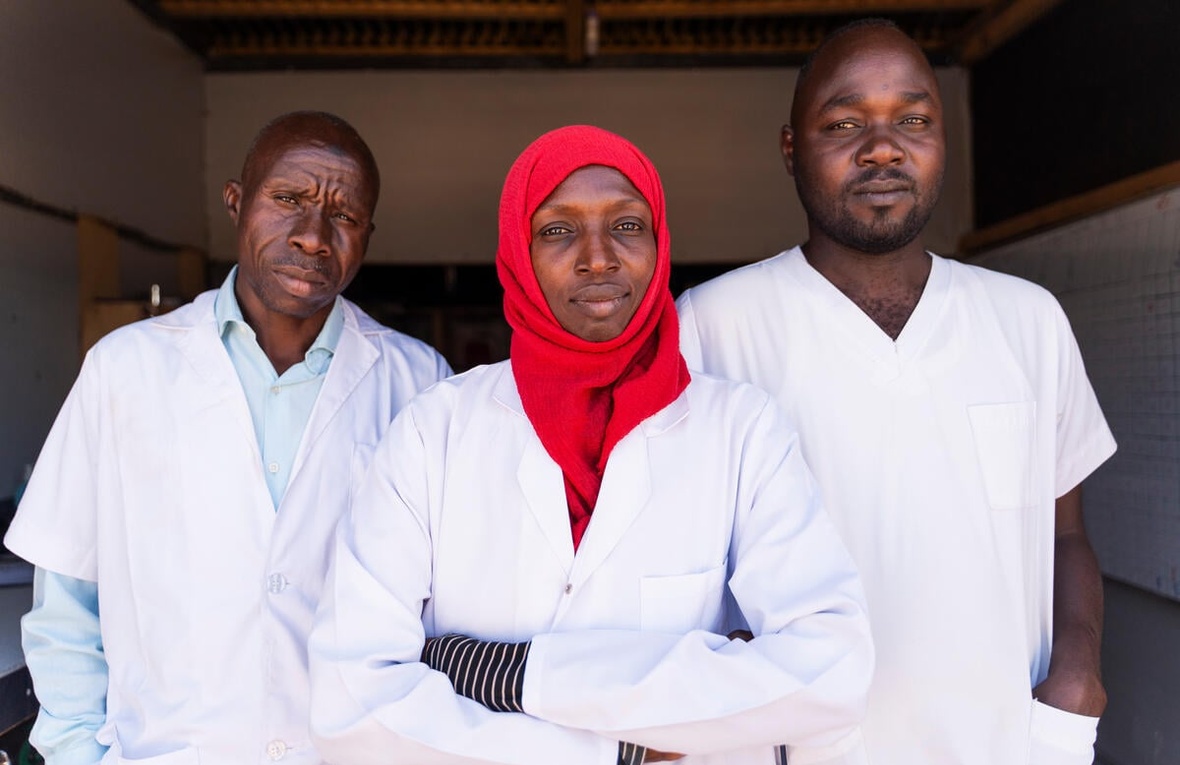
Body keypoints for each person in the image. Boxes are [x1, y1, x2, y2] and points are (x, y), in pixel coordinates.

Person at [308, 125, 874, 765]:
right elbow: (352, 698)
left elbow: (831, 672)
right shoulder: (432, 432)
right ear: (517, 255)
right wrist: (615, 751)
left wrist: (514, 676)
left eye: (627, 226)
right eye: (557, 230)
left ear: (660, 244)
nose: (598, 257)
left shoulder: (742, 431)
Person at [676, 19, 1117, 765]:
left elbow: (1065, 533)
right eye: (845, 123)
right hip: (798, 748)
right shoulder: (710, 327)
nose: (883, 147)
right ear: (791, 150)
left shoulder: (1027, 320)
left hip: (1006, 742)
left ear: (944, 139)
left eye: (913, 120)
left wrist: (1078, 676)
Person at [5, 111, 453, 764]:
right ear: (236, 202)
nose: (313, 237)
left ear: (369, 236)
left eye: (344, 217)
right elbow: (67, 605)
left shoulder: (418, 382)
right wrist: (79, 754)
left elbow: (446, 612)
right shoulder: (125, 369)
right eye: (288, 200)